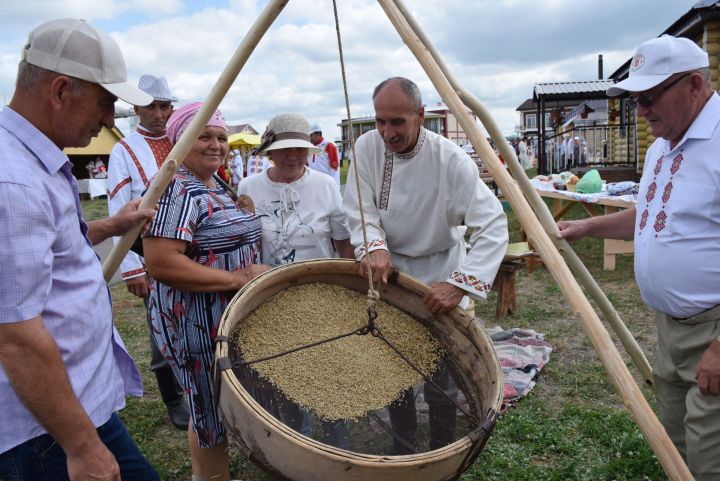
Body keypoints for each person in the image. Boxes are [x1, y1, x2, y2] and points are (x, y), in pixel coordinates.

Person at [0, 18, 159, 481]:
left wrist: (109, 225)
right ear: (61, 90)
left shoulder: (33, 159)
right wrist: (83, 446)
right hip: (43, 431)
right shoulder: (12, 181)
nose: (110, 118)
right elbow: (15, 335)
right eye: (106, 101)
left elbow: (50, 247)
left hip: (69, 407)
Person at [557, 35, 720, 479]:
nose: (641, 111)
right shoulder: (660, 147)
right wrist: (587, 227)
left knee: (709, 460)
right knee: (675, 445)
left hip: (713, 331)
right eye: (635, 100)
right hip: (670, 329)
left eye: (649, 97)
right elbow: (650, 216)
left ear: (692, 85)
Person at [342, 77, 508, 453]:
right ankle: (403, 448)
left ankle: (440, 450)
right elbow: (359, 206)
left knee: (441, 374)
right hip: (392, 275)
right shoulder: (367, 147)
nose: (387, 132)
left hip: (440, 275)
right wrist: (373, 246)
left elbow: (493, 223)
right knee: (393, 368)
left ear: (420, 115)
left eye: (397, 122)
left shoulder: (450, 159)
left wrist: (462, 285)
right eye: (380, 121)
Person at [143, 102, 270, 481]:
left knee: (212, 405)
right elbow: (162, 262)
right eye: (204, 136)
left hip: (222, 316)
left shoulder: (215, 182)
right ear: (180, 140)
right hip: (194, 320)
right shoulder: (176, 187)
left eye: (220, 137)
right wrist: (237, 278)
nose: (216, 144)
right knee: (208, 411)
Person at [238, 112, 354, 447]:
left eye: (300, 149)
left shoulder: (326, 185)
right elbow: (246, 242)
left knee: (329, 372)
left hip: (322, 295)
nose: (293, 155)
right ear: (269, 152)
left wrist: (349, 293)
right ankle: (297, 444)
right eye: (285, 148)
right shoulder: (249, 187)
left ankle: (337, 446)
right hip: (270, 296)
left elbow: (343, 243)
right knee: (285, 373)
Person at [107, 73, 190, 430]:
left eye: (165, 106)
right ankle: (174, 399)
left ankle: (201, 389)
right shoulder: (123, 150)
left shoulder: (184, 142)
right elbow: (117, 211)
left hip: (191, 250)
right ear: (136, 109)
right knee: (161, 328)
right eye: (151, 106)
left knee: (197, 322)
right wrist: (131, 268)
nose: (158, 113)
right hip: (149, 254)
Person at [307, 121, 341, 188]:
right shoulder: (309, 147)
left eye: (311, 135)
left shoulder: (329, 147)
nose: (309, 138)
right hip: (312, 185)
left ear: (318, 134)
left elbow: (334, 170)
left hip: (326, 186)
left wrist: (335, 187)